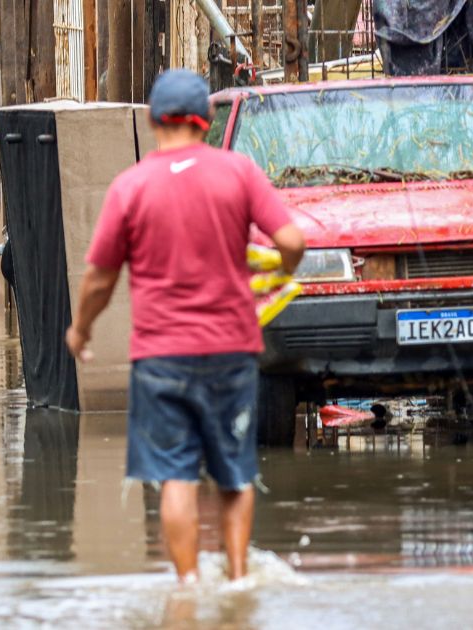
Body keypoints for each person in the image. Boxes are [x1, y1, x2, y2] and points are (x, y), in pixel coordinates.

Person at [65, 69, 305, 582]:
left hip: (160, 358)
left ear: (154, 120)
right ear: (207, 119)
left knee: (176, 477)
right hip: (231, 353)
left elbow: (98, 279)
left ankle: (188, 585)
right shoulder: (238, 172)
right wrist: (277, 276)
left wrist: (80, 331)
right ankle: (238, 580)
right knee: (235, 476)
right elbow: (292, 242)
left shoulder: (131, 186)